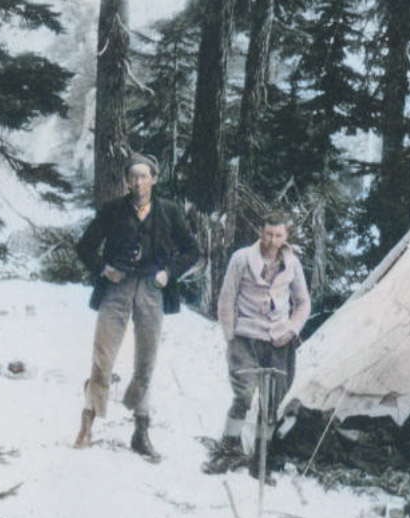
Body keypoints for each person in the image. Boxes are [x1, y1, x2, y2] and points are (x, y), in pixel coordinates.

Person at [72, 154, 200, 461]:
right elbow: (84, 246)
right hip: (116, 290)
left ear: (154, 179)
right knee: (102, 357)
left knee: (146, 360)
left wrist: (168, 272)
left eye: (144, 176)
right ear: (127, 181)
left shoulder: (169, 211)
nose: (139, 182)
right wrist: (104, 269)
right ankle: (87, 424)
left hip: (152, 292)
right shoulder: (113, 211)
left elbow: (192, 251)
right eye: (133, 177)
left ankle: (141, 431)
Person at [213, 214, 310, 477]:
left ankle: (261, 459)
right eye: (268, 234)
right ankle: (228, 449)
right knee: (244, 395)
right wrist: (230, 335)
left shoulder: (292, 263)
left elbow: (303, 303)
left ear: (286, 236)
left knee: (272, 402)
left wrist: (291, 329)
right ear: (260, 231)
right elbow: (226, 299)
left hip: (279, 341)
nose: (272, 241)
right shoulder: (242, 258)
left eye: (278, 236)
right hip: (246, 338)